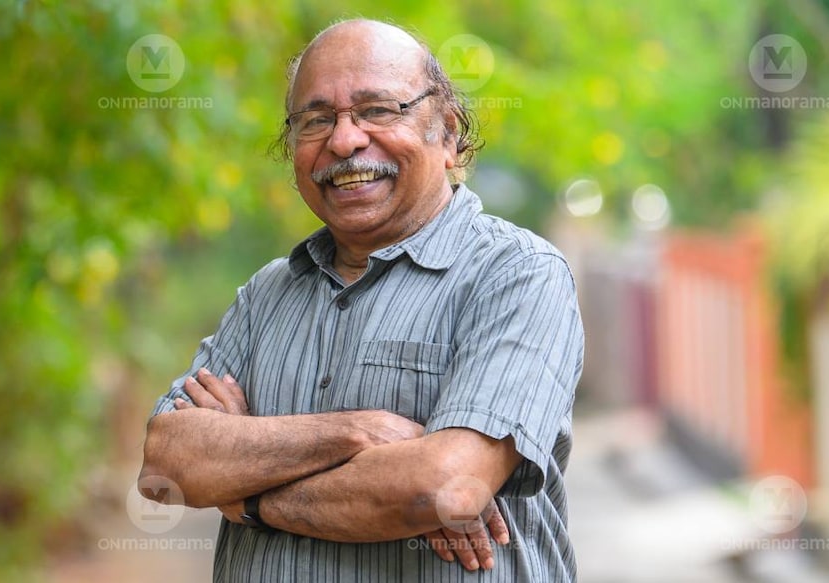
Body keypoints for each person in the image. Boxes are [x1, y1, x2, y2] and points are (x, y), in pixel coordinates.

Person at [140, 18, 584, 582]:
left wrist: (247, 498)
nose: (344, 141)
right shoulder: (266, 294)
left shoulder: (517, 275)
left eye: (377, 110)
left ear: (447, 133)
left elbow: (446, 487)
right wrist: (360, 433)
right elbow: (167, 461)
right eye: (316, 119)